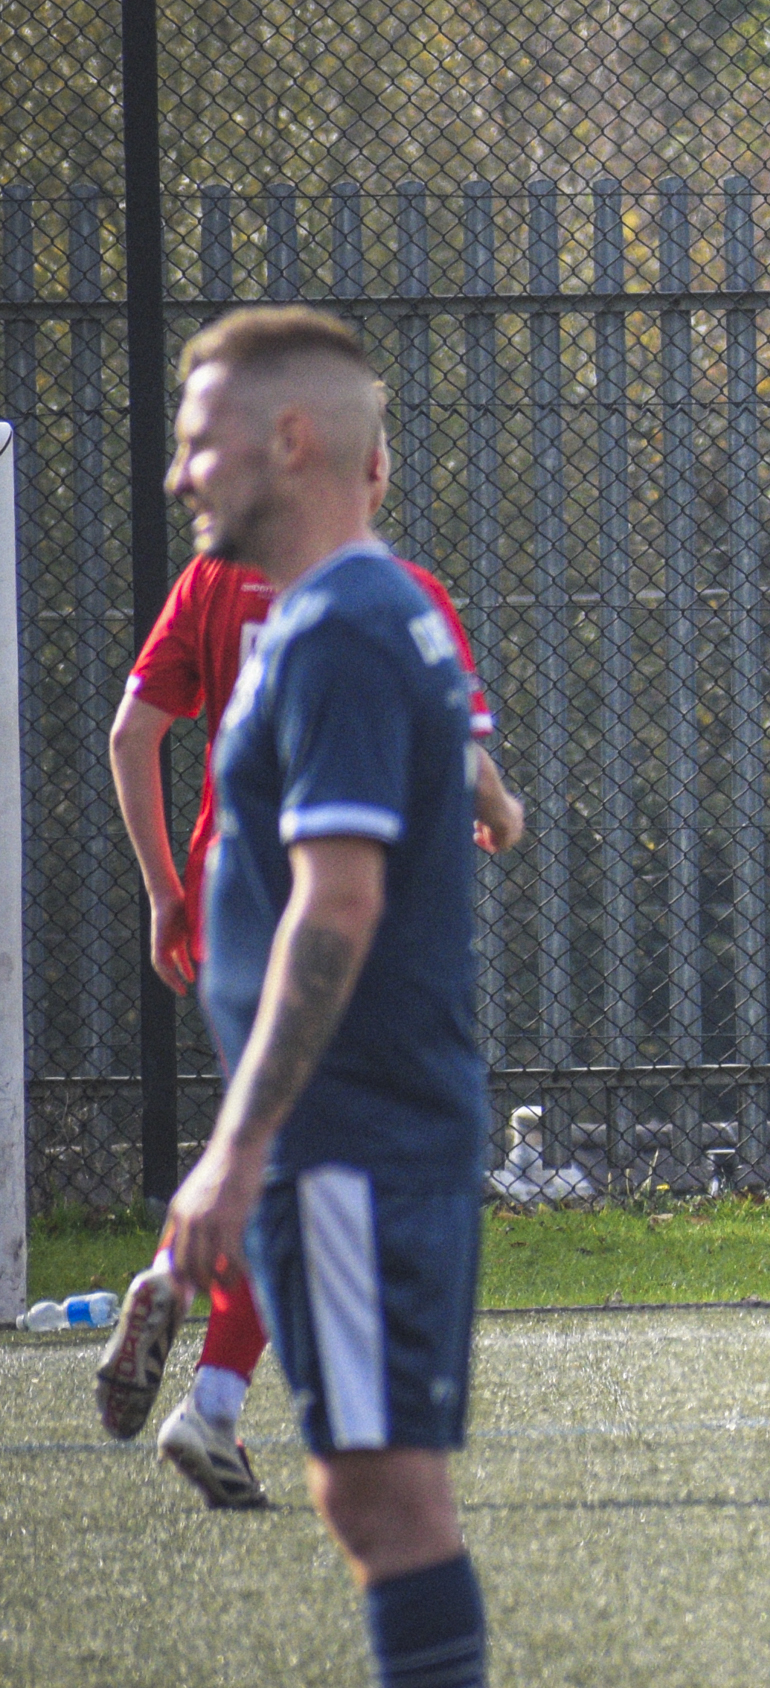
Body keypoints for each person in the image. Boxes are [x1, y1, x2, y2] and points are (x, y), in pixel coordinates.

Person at [152, 305, 496, 1687]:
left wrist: (234, 1150)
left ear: (290, 440)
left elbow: (337, 902)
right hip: (356, 1137)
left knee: (383, 1496)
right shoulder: (364, 610)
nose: (183, 473)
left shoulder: (339, 630)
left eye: (200, 440)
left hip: (349, 1146)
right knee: (370, 1490)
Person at [98, 447, 522, 1510]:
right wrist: (502, 809)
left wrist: (160, 891)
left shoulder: (210, 581)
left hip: (225, 897)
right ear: (375, 471)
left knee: (282, 1128)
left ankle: (207, 1368)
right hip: (343, 903)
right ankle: (215, 1380)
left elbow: (131, 732)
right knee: (322, 1155)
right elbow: (460, 753)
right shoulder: (400, 598)